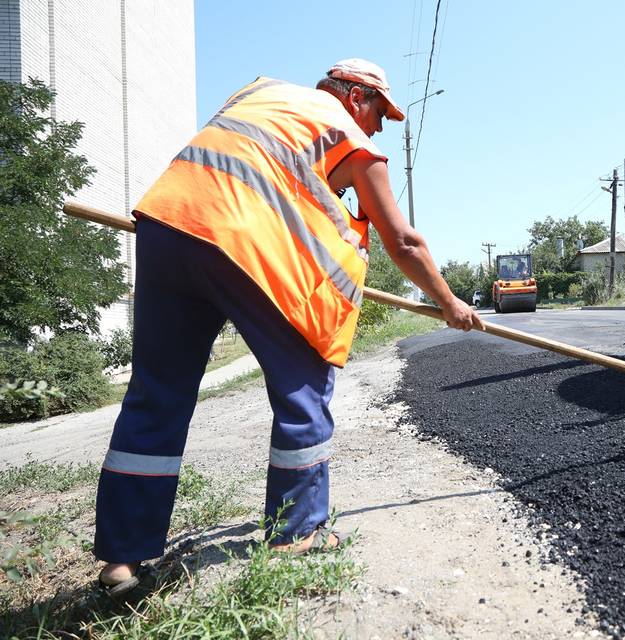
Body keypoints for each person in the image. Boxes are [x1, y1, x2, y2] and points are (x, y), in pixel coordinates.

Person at [95, 58, 483, 595]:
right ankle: (296, 534)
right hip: (248, 247)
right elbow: (404, 242)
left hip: (168, 224)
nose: (378, 125)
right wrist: (449, 302)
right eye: (379, 112)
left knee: (155, 394)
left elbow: (240, 171)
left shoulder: (260, 94)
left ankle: (122, 560)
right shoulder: (349, 135)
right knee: (304, 386)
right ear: (354, 96)